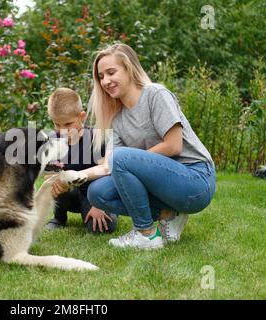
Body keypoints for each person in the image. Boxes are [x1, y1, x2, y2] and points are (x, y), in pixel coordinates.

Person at [73, 43, 216, 250]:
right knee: (97, 193)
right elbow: (109, 167)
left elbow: (174, 145)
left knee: (121, 158)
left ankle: (145, 233)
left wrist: (131, 162)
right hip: (164, 185)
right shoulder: (117, 119)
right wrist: (72, 176)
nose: (105, 81)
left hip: (196, 180)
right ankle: (167, 214)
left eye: (111, 72)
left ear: (129, 68)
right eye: (101, 76)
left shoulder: (155, 94)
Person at [44, 87, 118, 234]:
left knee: (103, 228)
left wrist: (99, 205)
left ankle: (104, 209)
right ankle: (59, 218)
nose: (62, 130)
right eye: (57, 124)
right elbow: (49, 173)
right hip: (69, 193)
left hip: (93, 194)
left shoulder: (97, 138)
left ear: (82, 116)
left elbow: (110, 174)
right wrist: (55, 182)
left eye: (68, 124)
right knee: (57, 181)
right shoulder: (54, 140)